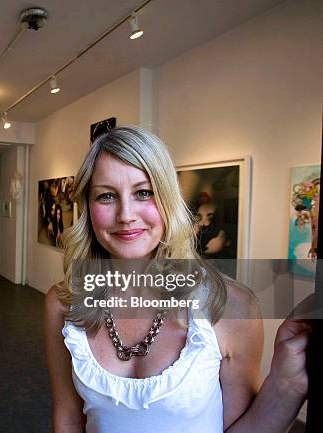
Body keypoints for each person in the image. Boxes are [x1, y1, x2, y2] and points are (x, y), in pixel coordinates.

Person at [44, 126, 310, 433]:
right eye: (106, 196)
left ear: (169, 199)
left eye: (144, 192)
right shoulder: (65, 302)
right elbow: (67, 414)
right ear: (88, 209)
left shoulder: (229, 306)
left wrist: (287, 383)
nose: (126, 215)